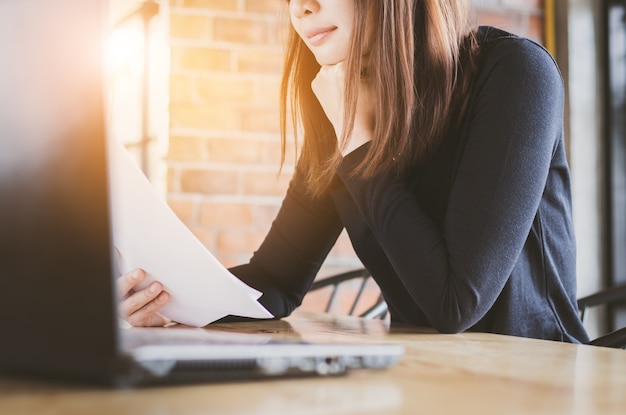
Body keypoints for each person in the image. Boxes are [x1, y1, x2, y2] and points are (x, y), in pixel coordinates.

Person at [118, 0, 590, 343]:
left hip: (537, 378)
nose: (300, 8)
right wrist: (171, 301)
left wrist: (357, 147)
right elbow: (276, 280)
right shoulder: (341, 109)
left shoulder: (516, 74)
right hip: (430, 378)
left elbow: (455, 305)